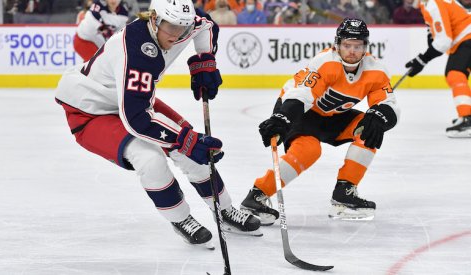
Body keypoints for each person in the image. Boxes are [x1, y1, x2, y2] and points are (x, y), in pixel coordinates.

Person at [55, 0, 261, 249]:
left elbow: (205, 24)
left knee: (194, 152)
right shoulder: (136, 49)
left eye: (182, 29)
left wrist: (204, 60)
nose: (176, 36)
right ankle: (181, 219)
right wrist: (186, 141)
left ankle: (225, 210)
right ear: (153, 18)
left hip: (130, 99)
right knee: (151, 158)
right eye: (171, 28)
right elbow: (137, 119)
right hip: (90, 111)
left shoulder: (181, 25)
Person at [240, 18, 400, 223]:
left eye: (357, 46)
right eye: (347, 45)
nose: (352, 51)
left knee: (369, 128)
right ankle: (256, 196)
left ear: (365, 48)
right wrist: (283, 117)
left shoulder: (376, 70)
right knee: (309, 150)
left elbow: (389, 103)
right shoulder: (325, 62)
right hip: (300, 112)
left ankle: (344, 193)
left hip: (334, 117)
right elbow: (302, 95)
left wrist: (380, 116)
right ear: (337, 45)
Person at [405, 0, 471, 137]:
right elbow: (435, 36)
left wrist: (421, 60)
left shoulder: (432, 3)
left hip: (467, 37)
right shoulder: (427, 4)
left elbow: (444, 41)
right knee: (455, 74)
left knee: (455, 74)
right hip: (465, 37)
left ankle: (467, 119)